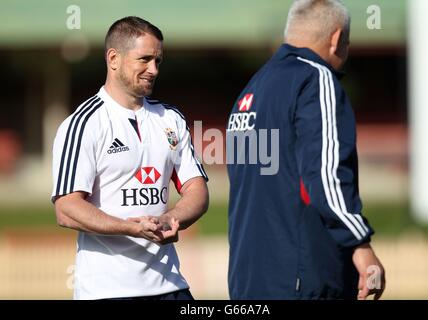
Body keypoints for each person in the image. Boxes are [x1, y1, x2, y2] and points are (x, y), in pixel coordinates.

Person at [226, 0, 385, 300]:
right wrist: (360, 243)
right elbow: (326, 174)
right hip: (302, 273)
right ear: (337, 39)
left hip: (247, 276)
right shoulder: (316, 78)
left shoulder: (250, 90)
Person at [51, 16, 209, 300]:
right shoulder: (84, 124)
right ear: (113, 58)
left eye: (158, 61)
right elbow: (66, 209)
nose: (154, 70)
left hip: (171, 286)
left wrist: (173, 218)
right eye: (144, 59)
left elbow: (197, 189)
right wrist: (133, 228)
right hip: (107, 292)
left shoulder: (171, 118)